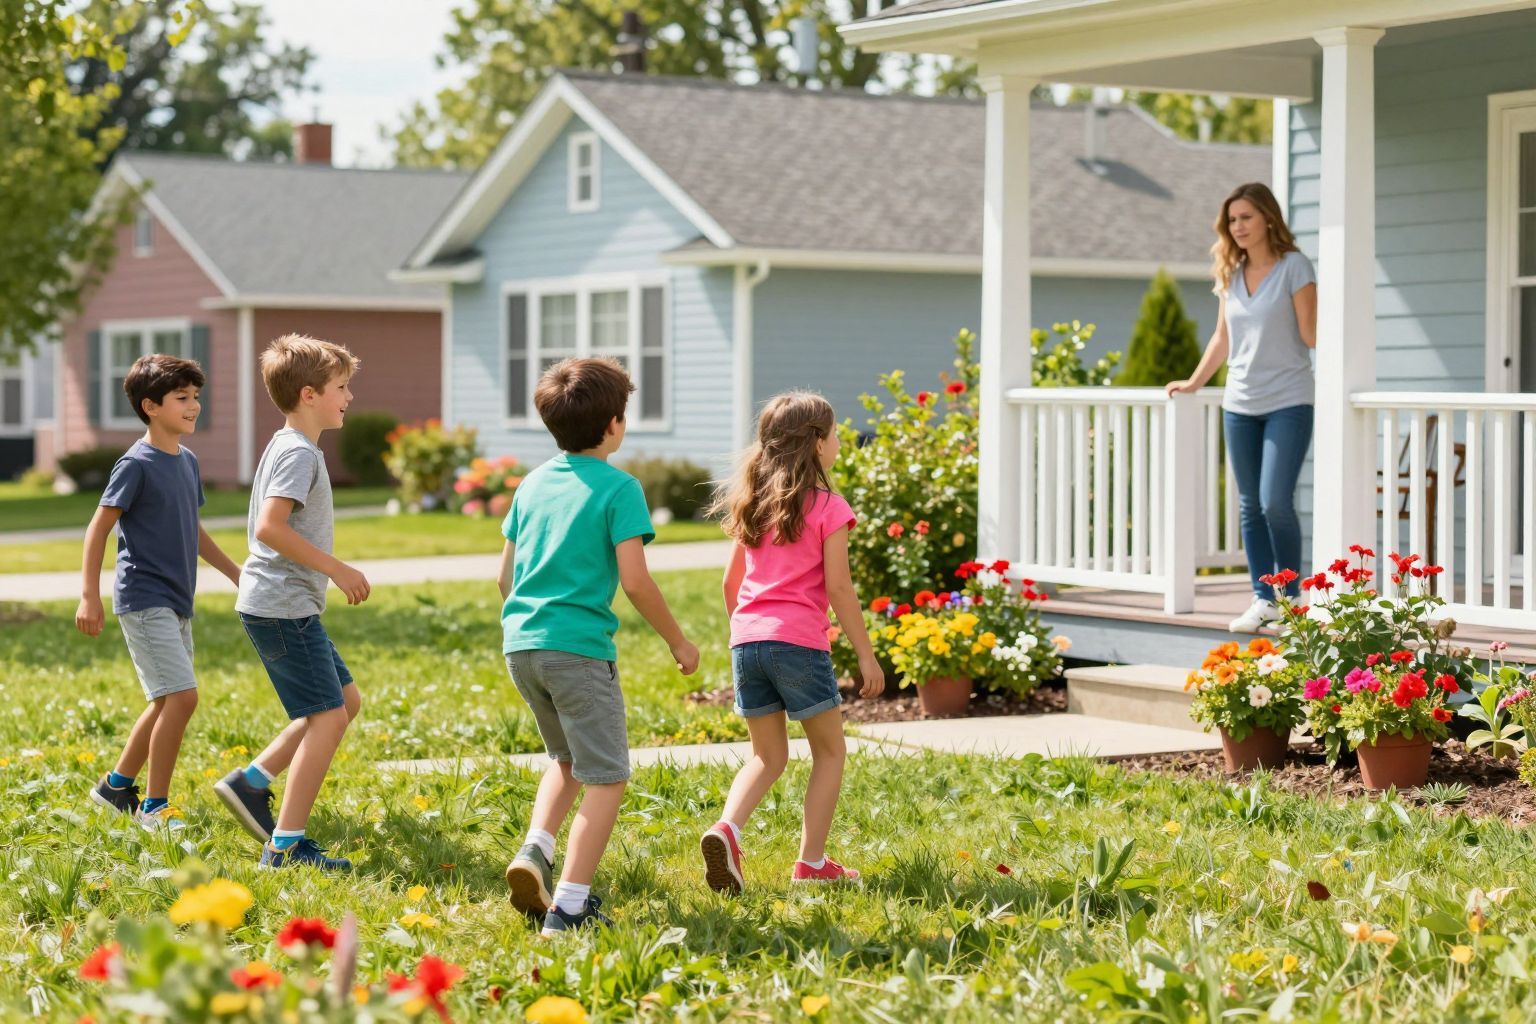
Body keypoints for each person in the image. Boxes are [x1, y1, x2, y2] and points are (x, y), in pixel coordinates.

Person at [499, 357, 700, 936]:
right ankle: (569, 905)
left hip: (522, 647)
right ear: (614, 424)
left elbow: (503, 577)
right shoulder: (620, 488)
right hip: (579, 653)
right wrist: (678, 640)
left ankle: (536, 850)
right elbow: (635, 580)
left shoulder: (532, 483)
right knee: (607, 776)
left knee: (566, 760)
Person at [698, 391, 885, 894]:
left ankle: (726, 829)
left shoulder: (753, 504)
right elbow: (840, 588)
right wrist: (866, 654)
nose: (841, 441)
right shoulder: (828, 506)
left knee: (766, 756)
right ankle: (812, 863)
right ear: (817, 444)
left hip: (747, 641)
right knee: (829, 752)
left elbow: (729, 585)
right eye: (836, 432)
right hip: (799, 643)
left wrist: (746, 634)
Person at [216, 334, 370, 870]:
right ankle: (284, 846)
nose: (349, 397)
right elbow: (270, 527)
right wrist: (338, 568)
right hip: (281, 606)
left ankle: (251, 783)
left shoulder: (290, 445)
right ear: (309, 394)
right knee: (327, 718)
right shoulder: (298, 453)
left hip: (287, 604)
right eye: (342, 387)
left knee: (344, 704)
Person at [78, 354, 243, 830]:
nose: (194, 406)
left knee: (166, 699)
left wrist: (237, 573)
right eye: (182, 398)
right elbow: (98, 528)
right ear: (151, 406)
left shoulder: (187, 462)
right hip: (143, 596)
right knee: (183, 697)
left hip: (175, 598)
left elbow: (194, 529)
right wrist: (89, 595)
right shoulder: (136, 463)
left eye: (196, 397)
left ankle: (115, 788)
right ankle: (154, 807)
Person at [1167, 182, 1318, 633]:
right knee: (1250, 505)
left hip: (1289, 399)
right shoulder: (1230, 273)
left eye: (1246, 217)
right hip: (1239, 403)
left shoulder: (1295, 267)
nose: (1238, 227)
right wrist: (1194, 382)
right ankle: (1261, 598)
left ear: (1268, 218)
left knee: (1276, 501)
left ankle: (1291, 601)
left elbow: (1312, 334)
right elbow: (1222, 337)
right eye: (1232, 220)